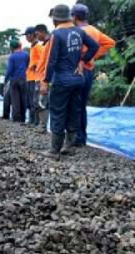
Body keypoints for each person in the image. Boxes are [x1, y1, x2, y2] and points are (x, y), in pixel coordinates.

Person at [40, 4, 99, 160]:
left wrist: (45, 81)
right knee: (74, 111)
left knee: (58, 112)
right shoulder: (79, 32)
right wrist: (83, 61)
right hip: (78, 80)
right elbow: (95, 46)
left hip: (62, 81)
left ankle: (54, 151)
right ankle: (69, 146)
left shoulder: (56, 34)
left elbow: (51, 61)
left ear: (55, 19)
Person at [72, 3, 116, 146]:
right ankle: (81, 137)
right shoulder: (95, 31)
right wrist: (93, 56)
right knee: (82, 105)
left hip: (76, 70)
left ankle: (75, 137)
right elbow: (110, 43)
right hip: (89, 70)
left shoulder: (74, 31)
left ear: (75, 16)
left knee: (73, 104)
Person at [24, 27, 44, 126]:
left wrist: (34, 65)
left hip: (35, 78)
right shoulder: (32, 47)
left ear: (32, 34)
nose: (26, 38)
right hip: (30, 77)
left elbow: (43, 60)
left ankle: (35, 121)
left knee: (34, 101)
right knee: (30, 100)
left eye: (27, 35)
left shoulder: (38, 47)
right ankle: (32, 120)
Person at [5, 40, 30, 123]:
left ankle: (16, 119)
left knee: (15, 100)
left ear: (11, 47)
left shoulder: (12, 57)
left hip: (14, 80)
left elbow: (9, 70)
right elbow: (28, 66)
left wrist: (6, 79)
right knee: (23, 99)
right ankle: (23, 118)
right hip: (24, 79)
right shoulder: (26, 55)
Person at [34, 24, 52, 133]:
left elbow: (50, 61)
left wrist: (45, 79)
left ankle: (43, 126)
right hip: (41, 76)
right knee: (40, 101)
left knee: (43, 101)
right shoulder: (45, 44)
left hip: (45, 77)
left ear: (42, 32)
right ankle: (42, 124)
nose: (37, 37)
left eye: (37, 34)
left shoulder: (49, 43)